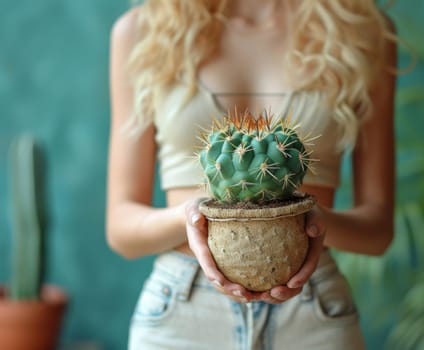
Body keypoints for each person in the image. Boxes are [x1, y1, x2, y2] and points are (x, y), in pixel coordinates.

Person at [106, 0, 397, 349]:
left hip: (311, 310)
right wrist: (189, 217)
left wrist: (313, 222)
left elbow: (378, 230)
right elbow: (121, 227)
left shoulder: (361, 30)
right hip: (183, 313)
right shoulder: (144, 30)